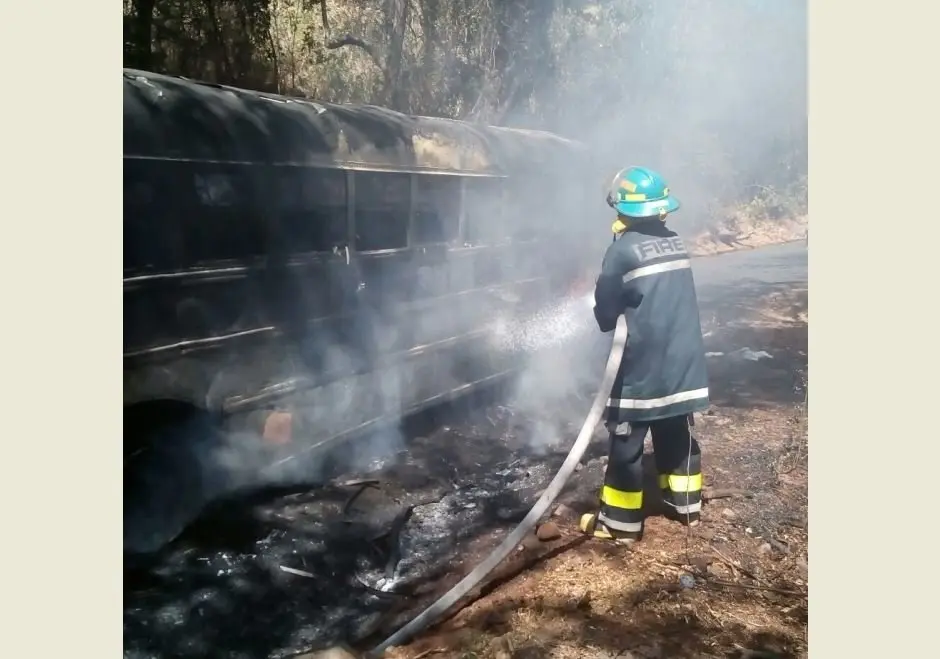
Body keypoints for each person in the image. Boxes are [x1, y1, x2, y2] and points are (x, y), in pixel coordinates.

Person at [580, 166, 710, 545]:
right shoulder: (676, 242)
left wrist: (616, 256)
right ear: (662, 210)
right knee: (673, 429)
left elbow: (606, 312)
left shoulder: (621, 251)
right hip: (683, 367)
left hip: (642, 368)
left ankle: (618, 524)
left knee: (626, 440)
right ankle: (686, 508)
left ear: (624, 211)